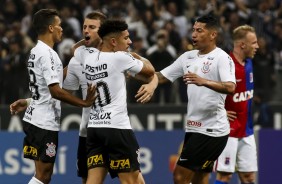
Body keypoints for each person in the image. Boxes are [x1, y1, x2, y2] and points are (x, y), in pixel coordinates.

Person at [136, 14, 236, 184]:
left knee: (180, 177)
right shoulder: (187, 57)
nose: (194, 35)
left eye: (199, 30)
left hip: (211, 131)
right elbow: (160, 77)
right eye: (193, 30)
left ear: (213, 35)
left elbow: (230, 86)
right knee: (199, 178)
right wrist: (133, 69)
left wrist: (204, 81)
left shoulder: (222, 58)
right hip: (195, 128)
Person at [9, 9, 96, 184]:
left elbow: (45, 87)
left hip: (36, 117)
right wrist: (84, 103)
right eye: (59, 26)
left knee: (43, 174)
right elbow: (55, 91)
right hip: (43, 122)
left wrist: (27, 101)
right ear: (50, 28)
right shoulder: (47, 54)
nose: (61, 29)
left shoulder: (37, 51)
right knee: (43, 174)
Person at [75, 19, 156, 184]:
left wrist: (96, 39)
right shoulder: (121, 59)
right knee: (131, 181)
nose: (130, 41)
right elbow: (150, 71)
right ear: (113, 41)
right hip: (116, 128)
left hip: (94, 128)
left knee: (93, 181)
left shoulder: (86, 57)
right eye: (126, 38)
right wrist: (134, 55)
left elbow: (75, 49)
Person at [63, 11, 106, 184]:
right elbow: (57, 89)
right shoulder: (77, 60)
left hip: (113, 129)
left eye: (92, 27)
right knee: (87, 180)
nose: (86, 31)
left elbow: (146, 71)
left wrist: (151, 83)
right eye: (84, 27)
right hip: (87, 131)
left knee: (131, 179)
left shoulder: (117, 56)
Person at [214, 25, 259, 184]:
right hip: (228, 132)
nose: (257, 46)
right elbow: (204, 90)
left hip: (247, 131)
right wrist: (219, 110)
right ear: (242, 45)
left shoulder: (249, 63)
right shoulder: (225, 64)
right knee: (224, 176)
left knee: (249, 177)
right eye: (254, 43)